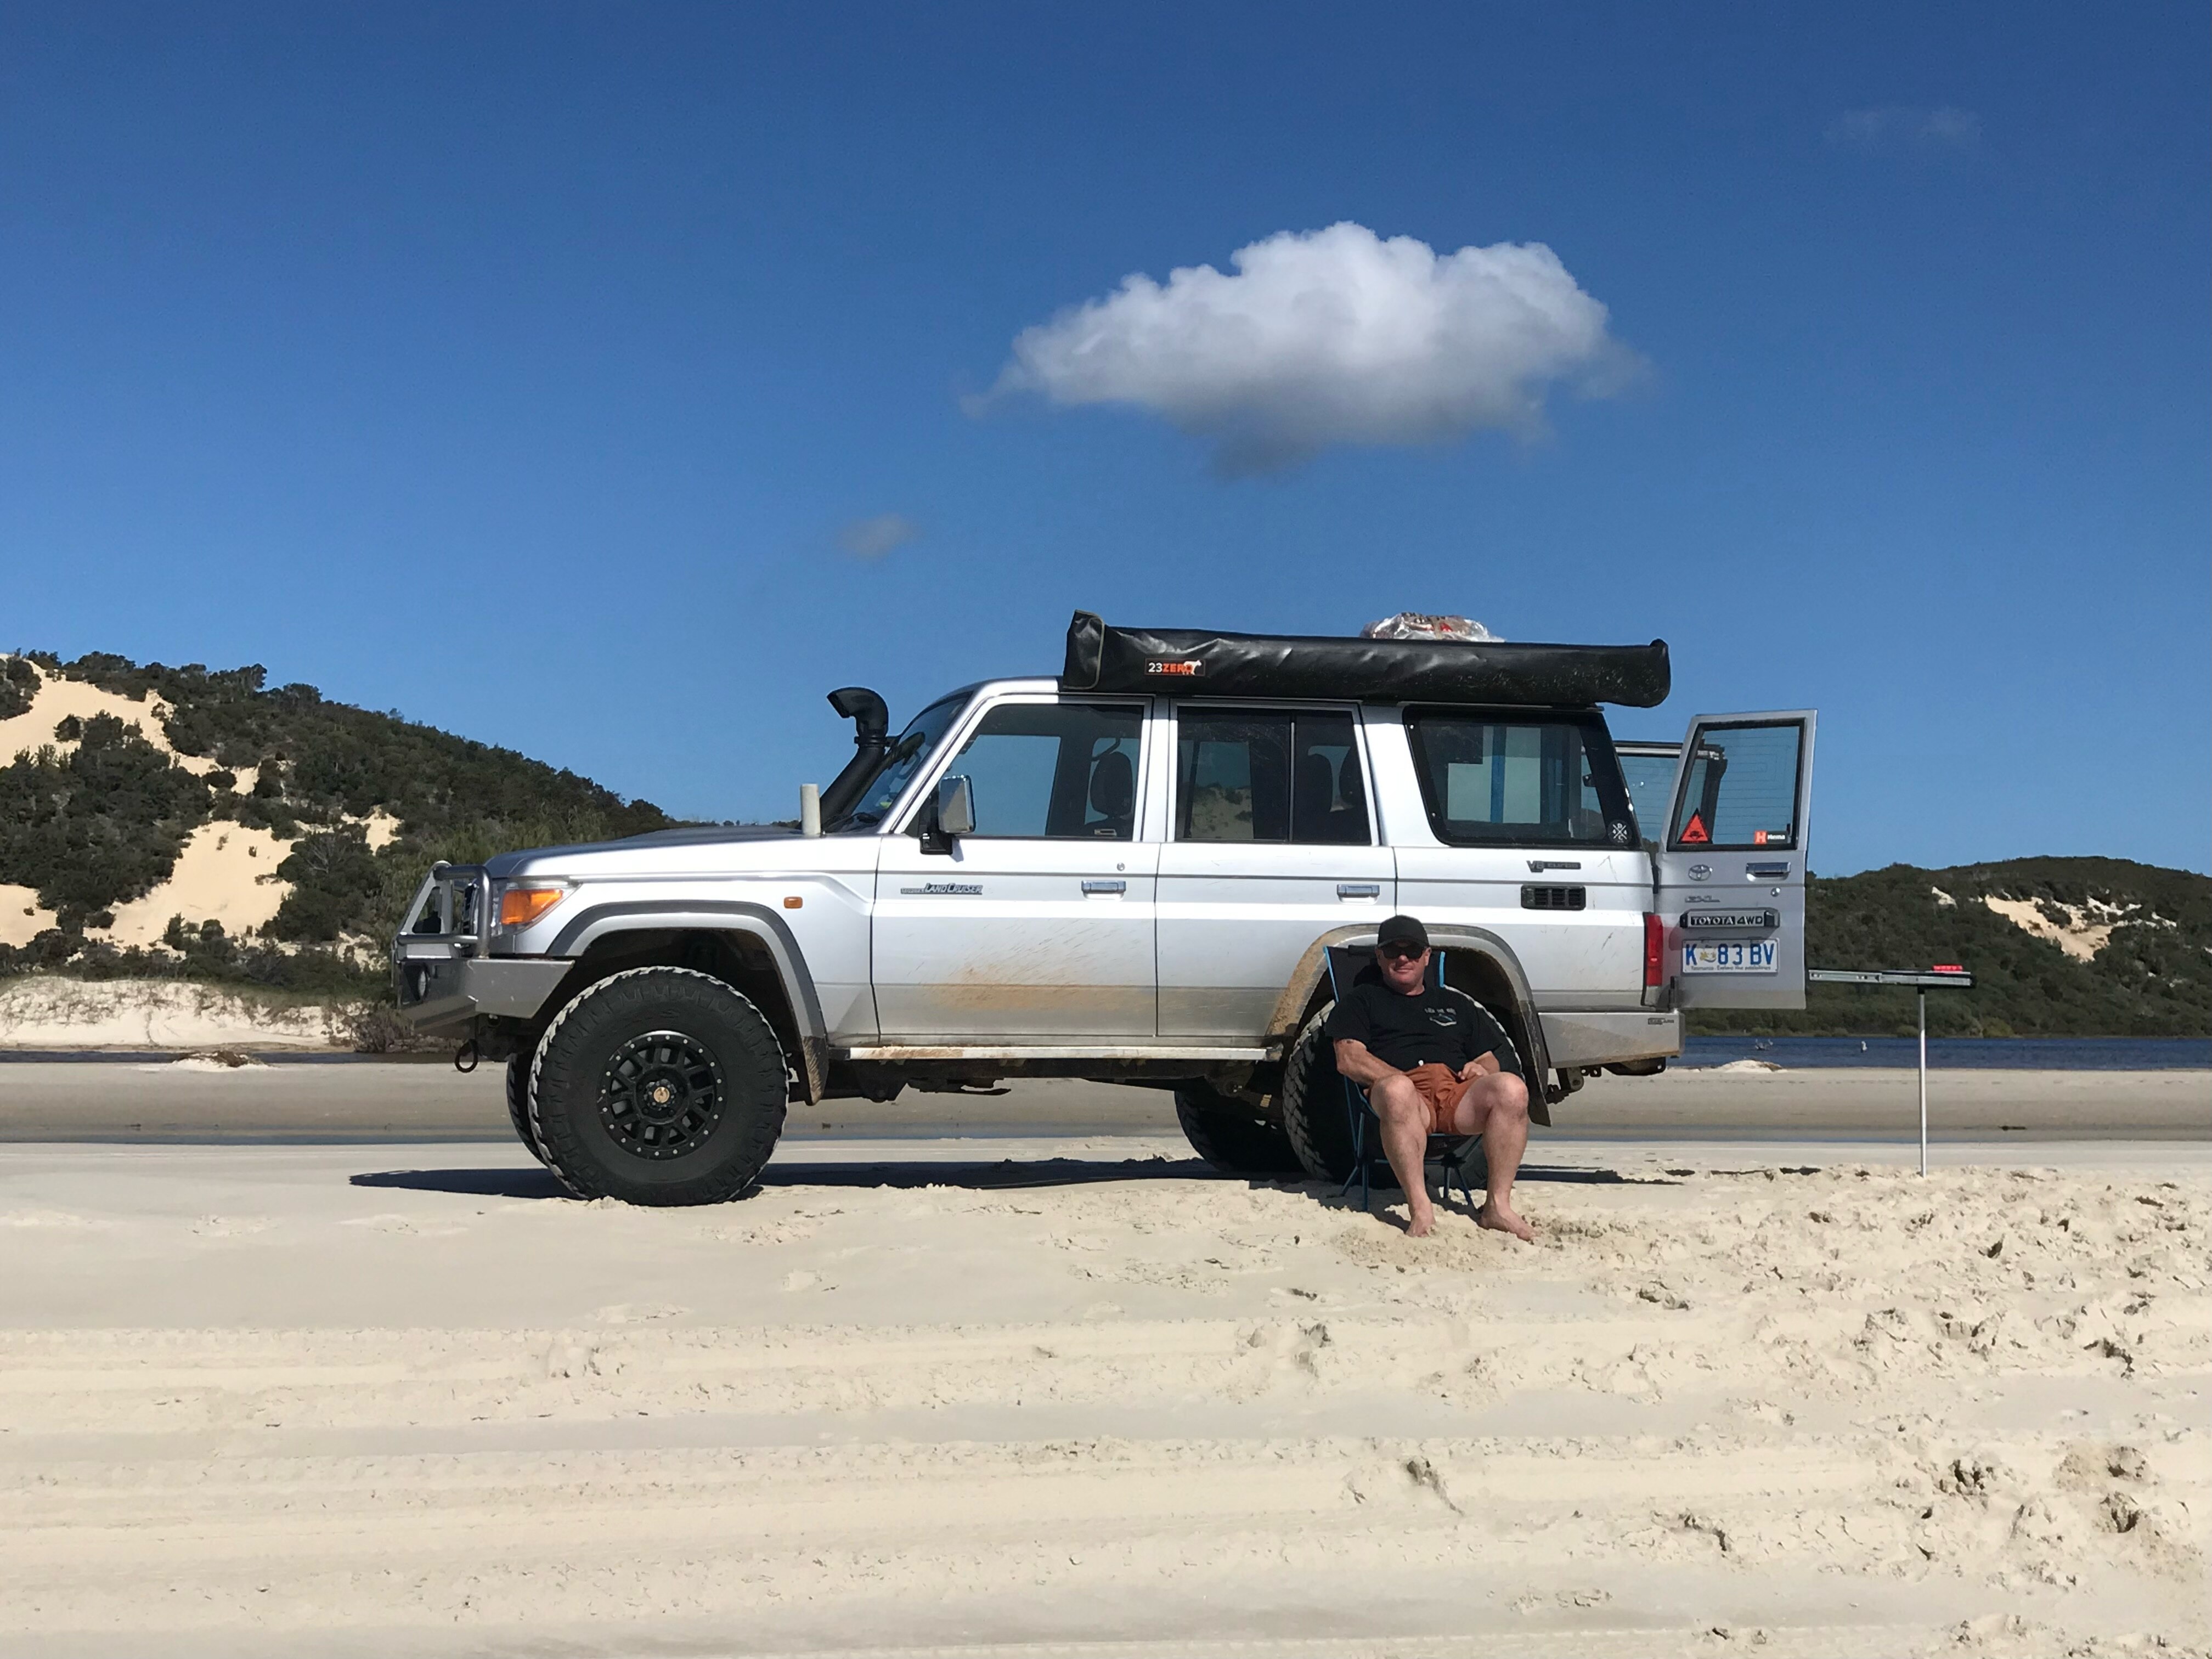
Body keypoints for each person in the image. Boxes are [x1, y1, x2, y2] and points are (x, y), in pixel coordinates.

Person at [1324, 914, 1534, 1240]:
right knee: (1396, 1090)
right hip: (1400, 1093)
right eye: (1393, 951)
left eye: (1412, 951)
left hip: (1454, 1093)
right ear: (1379, 957)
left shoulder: (1455, 1004)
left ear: (1427, 956)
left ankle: (1497, 1207)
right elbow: (1348, 1058)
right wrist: (1403, 1081)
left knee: (1512, 1088)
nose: (1403, 959)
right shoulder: (1362, 1000)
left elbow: (1489, 1059)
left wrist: (1483, 1071)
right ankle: (1421, 1209)